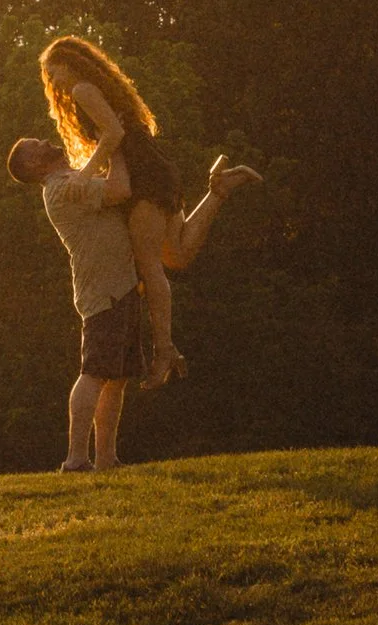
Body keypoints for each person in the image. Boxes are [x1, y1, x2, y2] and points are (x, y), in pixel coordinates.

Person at [36, 34, 258, 396]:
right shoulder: (101, 87)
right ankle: (218, 190)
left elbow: (114, 133)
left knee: (151, 266)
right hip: (158, 168)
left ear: (68, 64)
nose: (53, 81)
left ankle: (163, 352)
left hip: (144, 178)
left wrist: (86, 174)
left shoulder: (82, 89)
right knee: (178, 254)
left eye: (52, 71)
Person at [6, 124, 146, 470]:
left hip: (121, 285)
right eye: (36, 145)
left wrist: (109, 144)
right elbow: (120, 189)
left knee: (117, 378)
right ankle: (76, 458)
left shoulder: (73, 180)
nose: (45, 140)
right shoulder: (63, 189)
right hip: (103, 291)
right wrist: (113, 142)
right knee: (95, 373)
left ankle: (106, 459)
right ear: (34, 165)